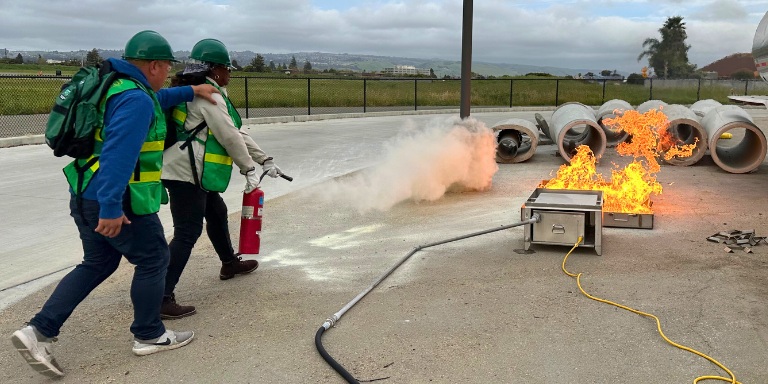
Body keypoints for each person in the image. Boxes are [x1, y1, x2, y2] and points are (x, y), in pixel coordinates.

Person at [10, 30, 221, 378]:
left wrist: (192, 91)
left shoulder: (118, 86)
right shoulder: (135, 99)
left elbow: (157, 97)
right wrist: (111, 208)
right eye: (167, 67)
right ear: (153, 65)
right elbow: (118, 156)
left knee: (97, 263)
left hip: (85, 191)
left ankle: (38, 332)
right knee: (154, 259)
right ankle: (149, 335)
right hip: (118, 199)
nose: (169, 73)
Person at [160, 38, 283, 319]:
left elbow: (234, 131)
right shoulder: (209, 96)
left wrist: (264, 159)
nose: (230, 74)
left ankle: (229, 263)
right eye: (227, 68)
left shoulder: (199, 89)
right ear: (214, 69)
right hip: (186, 172)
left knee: (216, 212)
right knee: (187, 232)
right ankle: (161, 296)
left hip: (191, 170)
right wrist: (248, 170)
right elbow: (229, 136)